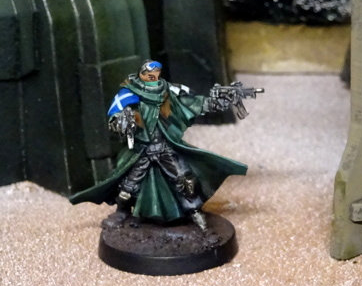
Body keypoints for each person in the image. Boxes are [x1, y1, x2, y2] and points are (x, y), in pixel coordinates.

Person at [69, 60, 247, 231]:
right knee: (127, 188)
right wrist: (121, 123)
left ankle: (196, 215)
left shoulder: (167, 93)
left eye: (155, 74)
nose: (152, 77)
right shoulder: (129, 94)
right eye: (149, 74)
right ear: (142, 74)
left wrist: (218, 100)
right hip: (142, 151)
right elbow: (115, 118)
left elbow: (193, 104)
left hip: (164, 148)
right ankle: (122, 212)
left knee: (186, 183)